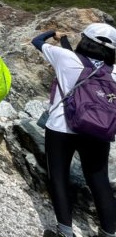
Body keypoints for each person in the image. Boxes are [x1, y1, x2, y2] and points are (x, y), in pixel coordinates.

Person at [32, 24, 116, 237]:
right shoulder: (114, 71)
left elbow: (37, 42)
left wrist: (53, 34)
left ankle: (65, 232)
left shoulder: (65, 58)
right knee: (99, 180)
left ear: (85, 39)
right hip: (98, 129)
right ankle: (108, 232)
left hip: (62, 128)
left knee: (59, 178)